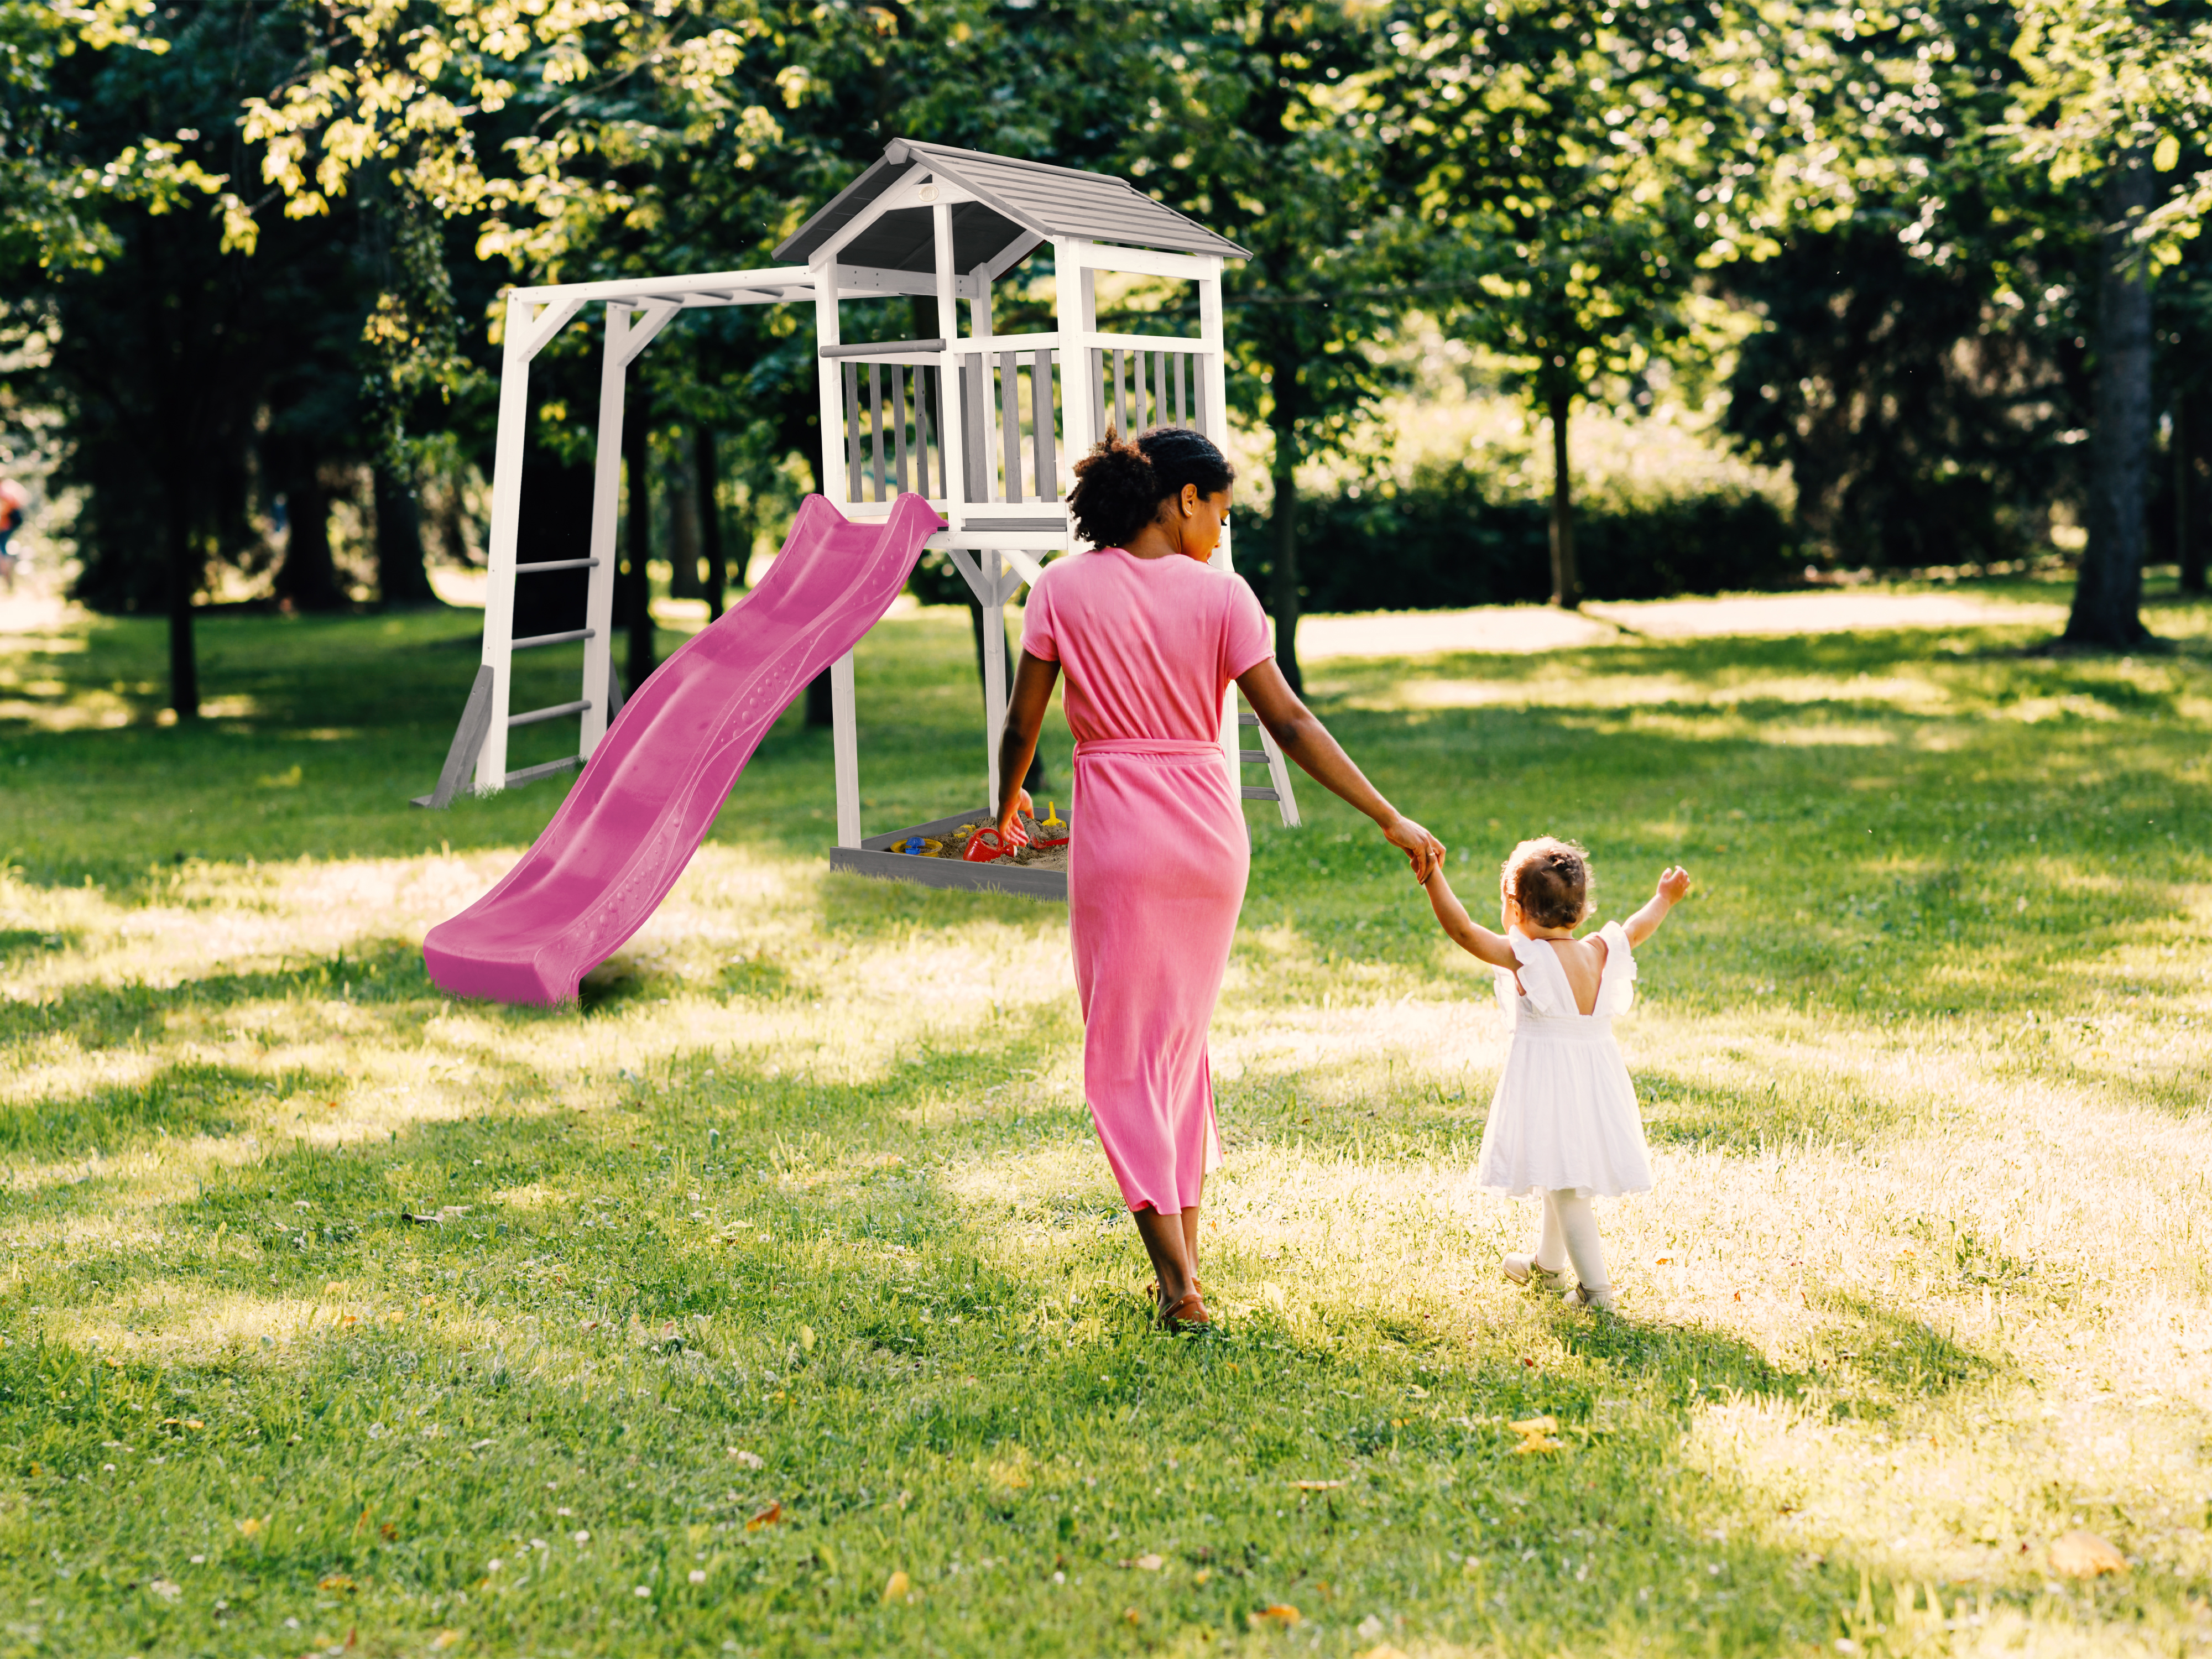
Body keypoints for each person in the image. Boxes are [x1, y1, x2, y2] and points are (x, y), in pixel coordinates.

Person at [991, 427, 1444, 1331]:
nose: (1222, 533)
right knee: (1177, 1051)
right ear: (1184, 499)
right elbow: (1292, 723)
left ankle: (1178, 1287)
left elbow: (1020, 725)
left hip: (1120, 841)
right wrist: (1387, 814)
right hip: (1209, 839)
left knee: (1123, 1059)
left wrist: (1005, 809)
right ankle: (1186, 1269)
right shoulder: (1225, 597)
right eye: (1222, 513)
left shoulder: (1060, 589)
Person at [1418, 838, 1691, 1312]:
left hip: (1551, 1086)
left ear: (1515, 908)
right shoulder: (1599, 950)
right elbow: (1636, 927)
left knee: (1566, 1189)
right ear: (1581, 911)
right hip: (1595, 1084)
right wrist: (1664, 898)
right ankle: (1547, 1267)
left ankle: (1596, 1293)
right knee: (1557, 1170)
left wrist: (1431, 876)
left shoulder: (1527, 957)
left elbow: (1462, 930)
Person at [0, 478, 27, 596]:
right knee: (3, 548)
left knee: (2, 550)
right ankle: (7, 577)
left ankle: (7, 575)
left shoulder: (4, 490)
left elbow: (7, 506)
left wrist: (3, 521)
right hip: (12, 521)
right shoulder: (8, 486)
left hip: (9, 522)